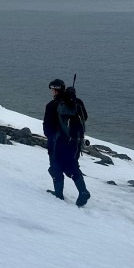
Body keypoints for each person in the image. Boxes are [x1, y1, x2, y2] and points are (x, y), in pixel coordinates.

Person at [43, 78, 91, 207]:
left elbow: (47, 127)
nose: (51, 92)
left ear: (55, 90)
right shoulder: (77, 103)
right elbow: (85, 117)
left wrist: (51, 139)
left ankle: (58, 194)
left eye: (52, 90)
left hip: (58, 143)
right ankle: (83, 191)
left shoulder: (52, 105)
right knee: (73, 166)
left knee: (55, 167)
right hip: (75, 142)